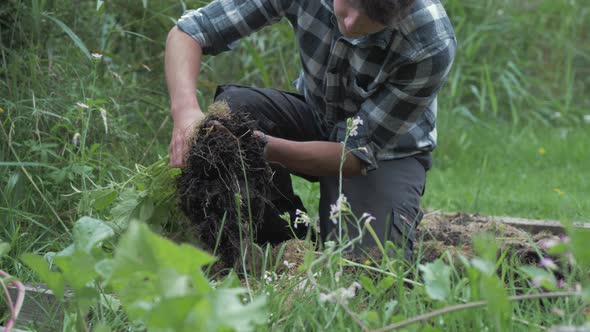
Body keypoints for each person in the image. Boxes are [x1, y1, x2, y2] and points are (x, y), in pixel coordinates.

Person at [165, 0, 456, 260]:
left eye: (372, 16)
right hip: (316, 117)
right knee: (237, 110)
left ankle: (357, 231)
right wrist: (185, 111)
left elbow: (354, 155)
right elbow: (189, 32)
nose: (351, 21)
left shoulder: (429, 40)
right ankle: (284, 241)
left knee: (368, 269)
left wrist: (260, 146)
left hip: (384, 153)